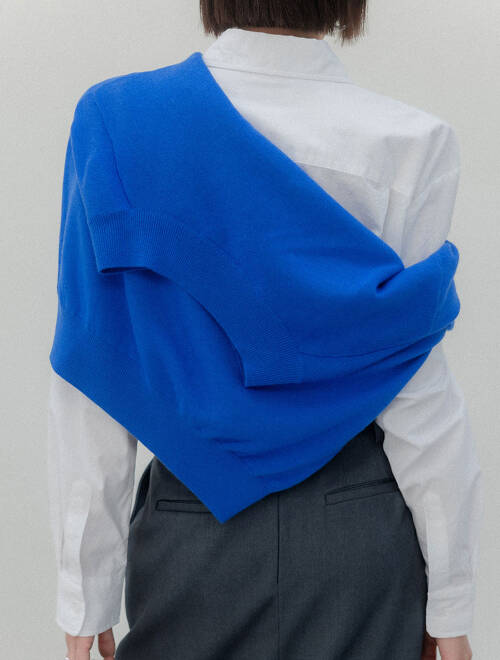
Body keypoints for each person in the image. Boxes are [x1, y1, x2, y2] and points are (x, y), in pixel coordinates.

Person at [47, 2, 483, 659]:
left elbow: (97, 366)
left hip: (193, 524)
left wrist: (85, 593)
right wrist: (449, 605)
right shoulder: (413, 142)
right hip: (359, 525)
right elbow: (420, 398)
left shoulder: (117, 122)